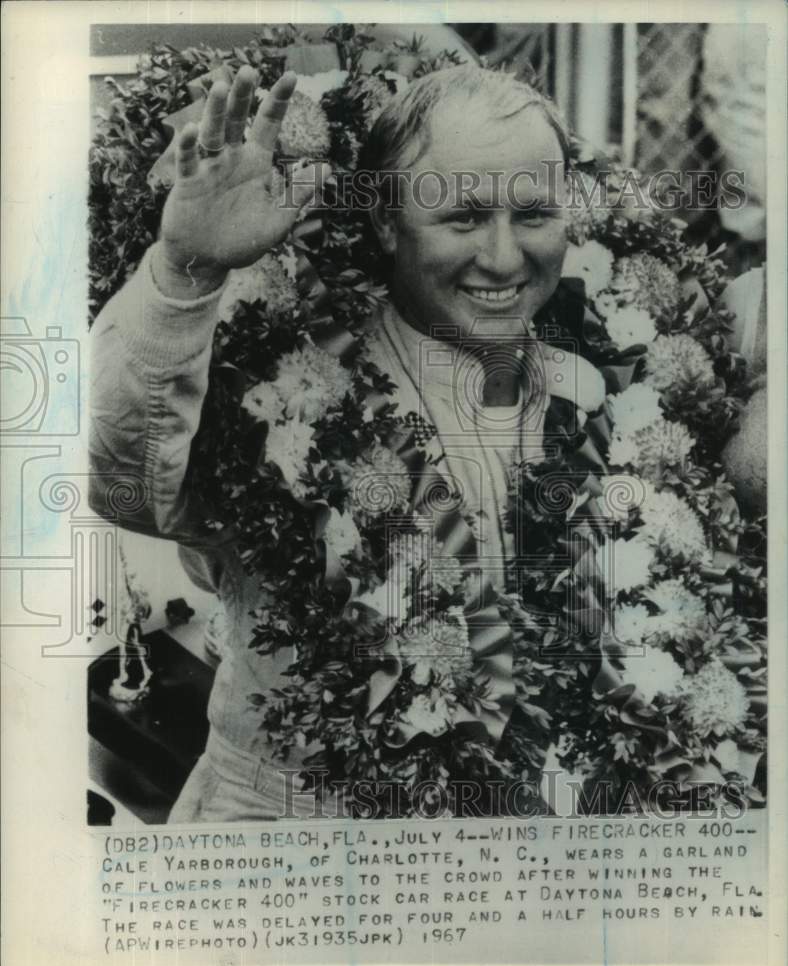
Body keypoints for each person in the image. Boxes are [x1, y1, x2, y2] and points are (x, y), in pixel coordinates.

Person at [89, 64, 606, 822]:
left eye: (532, 215)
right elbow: (120, 486)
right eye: (462, 219)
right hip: (289, 847)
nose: (503, 258)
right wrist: (184, 273)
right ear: (387, 223)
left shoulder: (589, 387)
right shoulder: (283, 388)